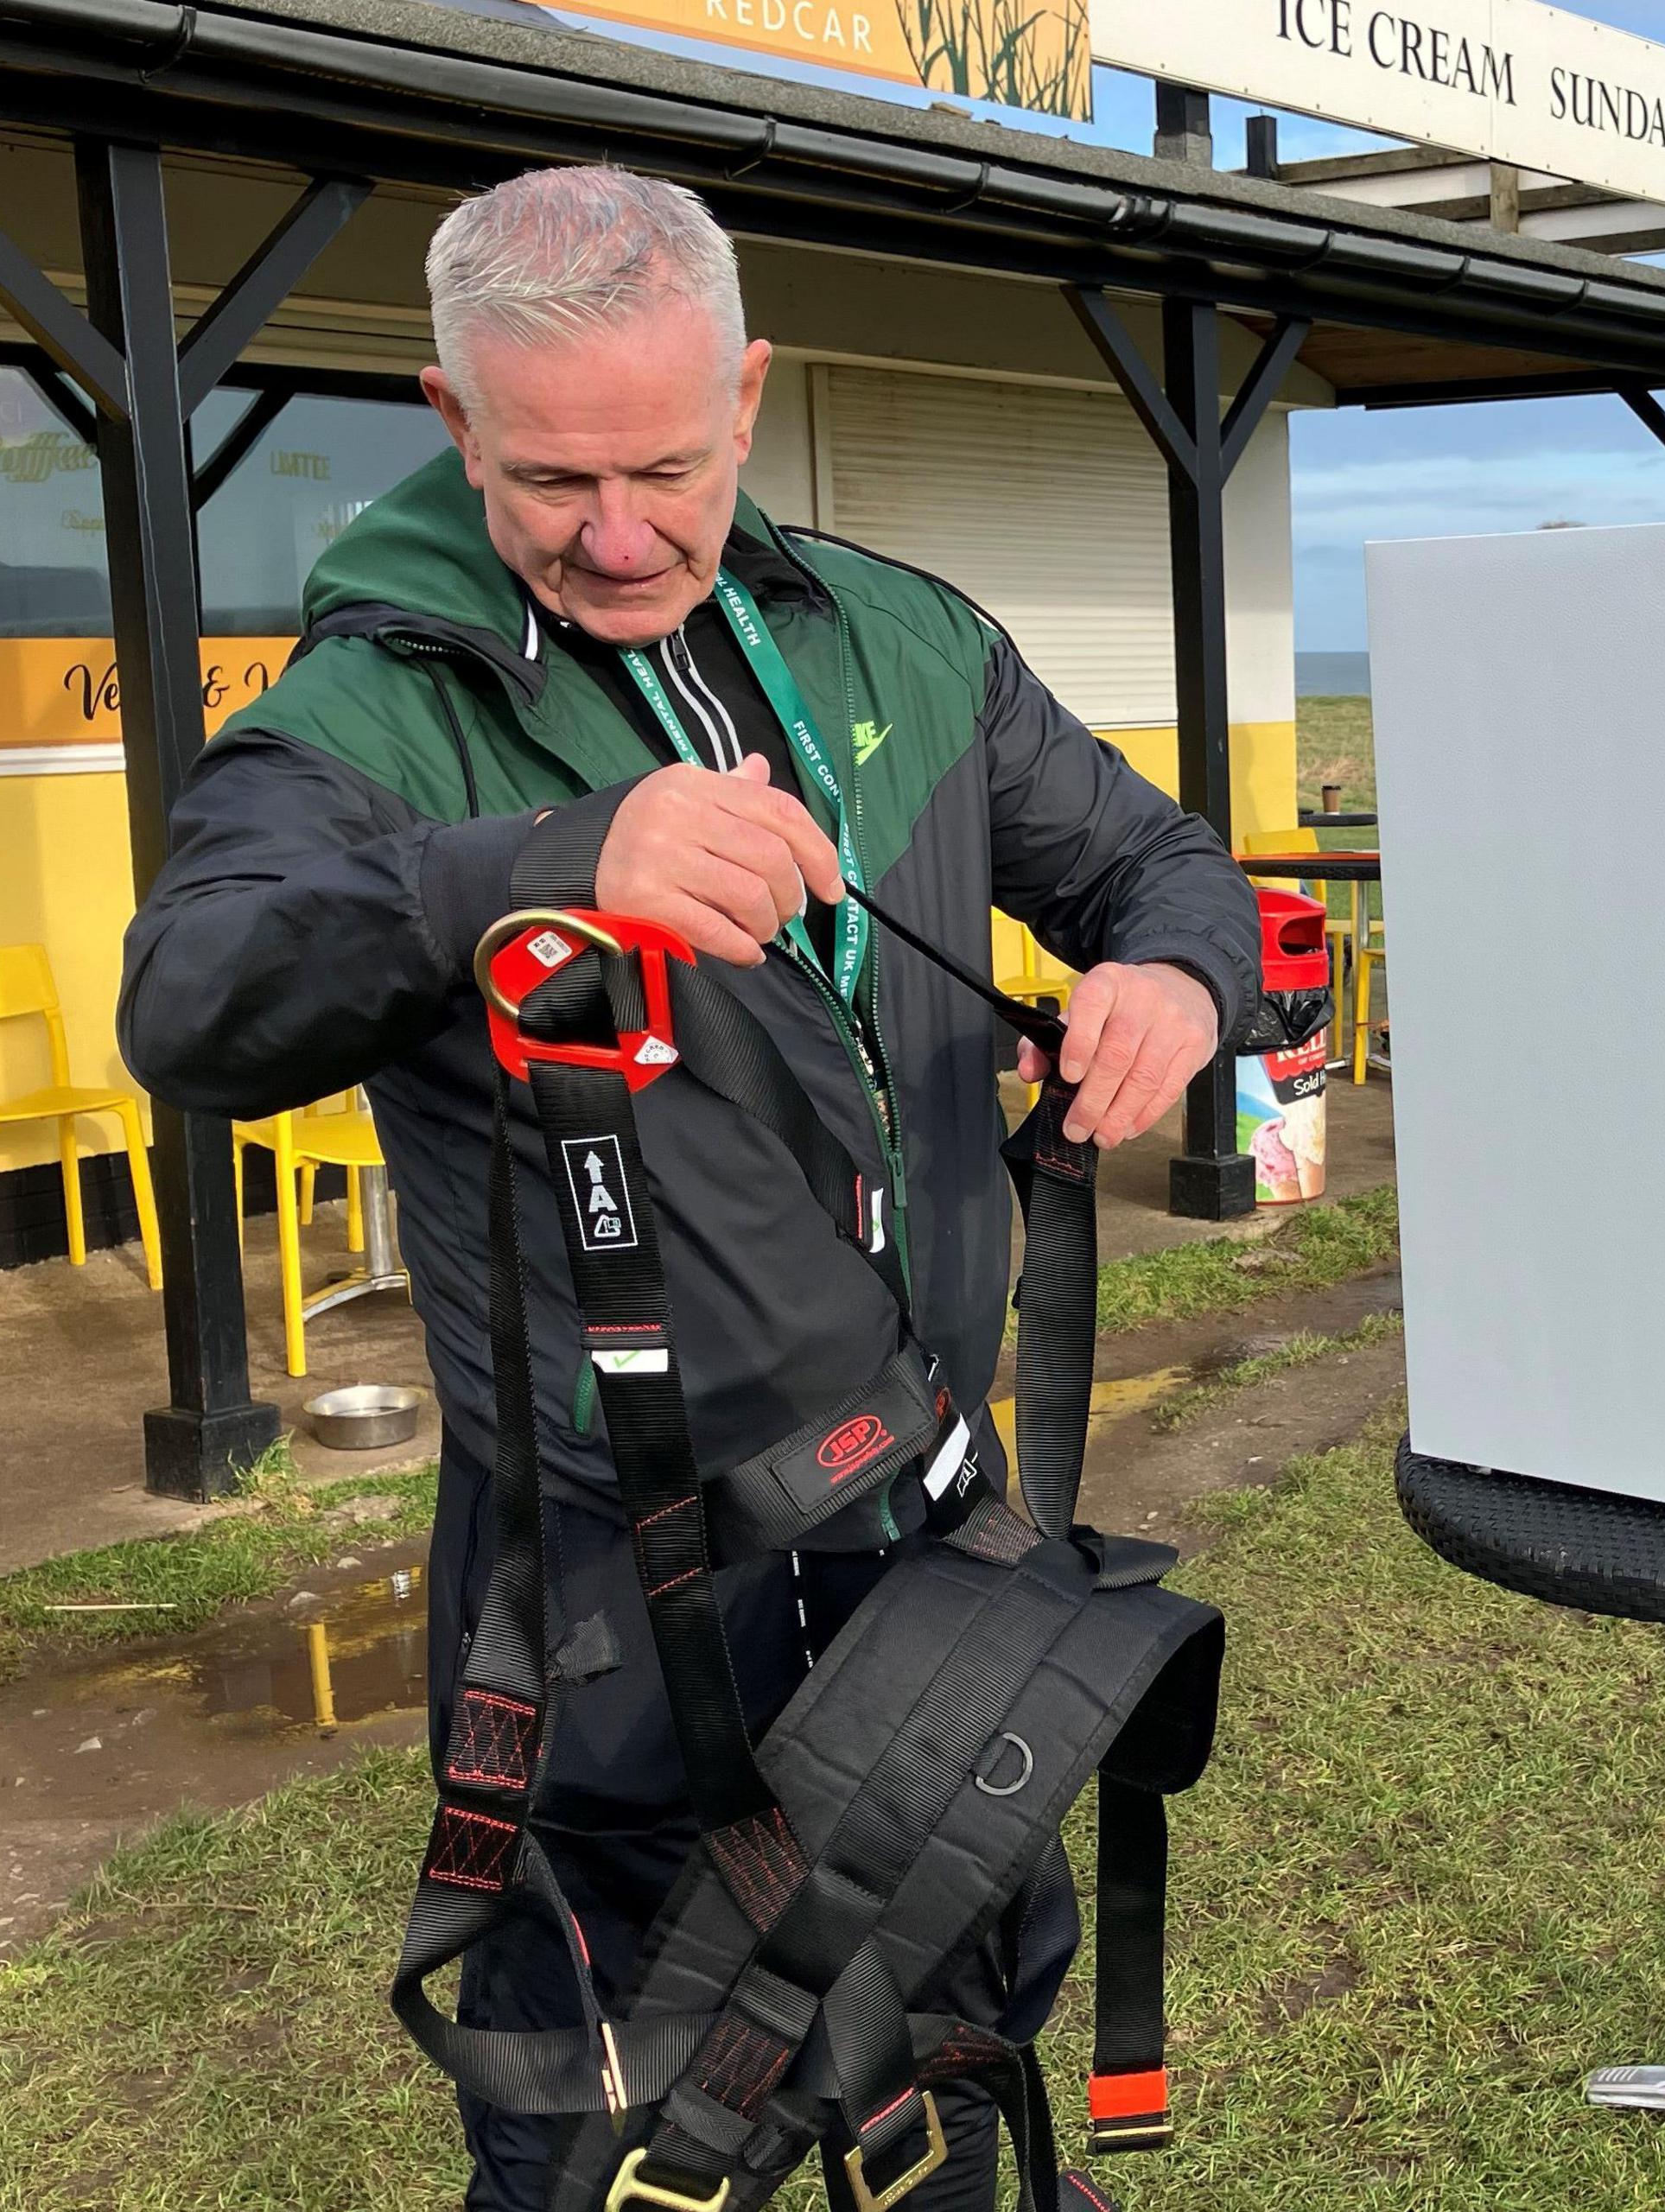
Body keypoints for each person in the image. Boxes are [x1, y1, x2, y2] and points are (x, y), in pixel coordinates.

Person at [119, 163, 1260, 2209]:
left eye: (664, 460)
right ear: (454, 423)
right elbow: (194, 1001)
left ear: (745, 394)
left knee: (961, 2004)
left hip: (937, 1512)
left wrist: (1176, 974)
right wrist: (534, 863)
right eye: (551, 477)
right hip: (625, 1584)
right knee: (628, 2096)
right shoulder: (370, 716)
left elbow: (1155, 857)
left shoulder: (898, 634)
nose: (618, 530)